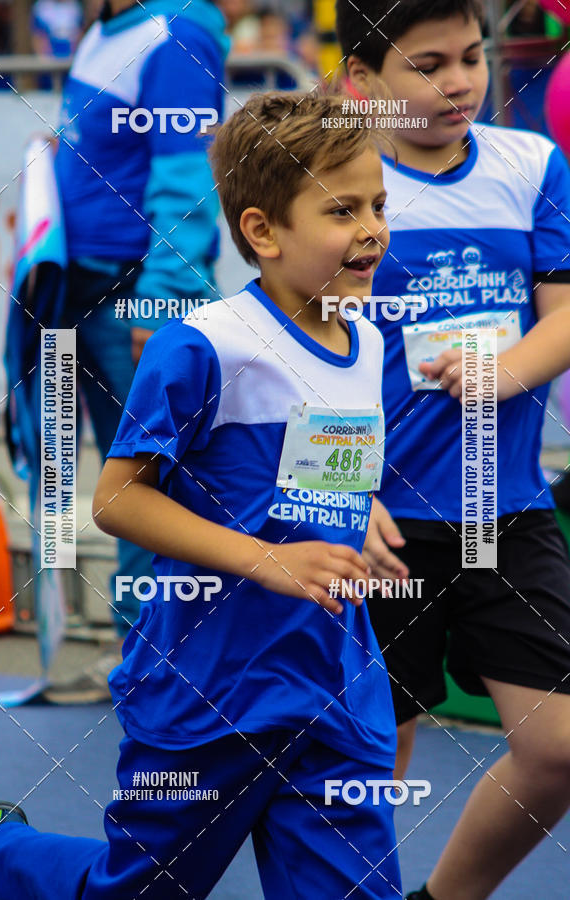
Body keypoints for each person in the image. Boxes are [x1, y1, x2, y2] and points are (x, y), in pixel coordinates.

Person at [0, 89, 403, 899]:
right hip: (210, 694)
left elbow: (311, 472)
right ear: (262, 232)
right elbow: (117, 501)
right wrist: (267, 558)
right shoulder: (201, 347)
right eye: (342, 211)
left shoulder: (372, 340)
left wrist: (360, 506)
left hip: (333, 693)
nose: (373, 228)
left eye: (379, 204)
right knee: (134, 891)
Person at [335, 1, 570, 898]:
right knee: (368, 767)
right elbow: (298, 352)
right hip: (381, 525)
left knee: (555, 753)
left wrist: (504, 370)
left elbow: (566, 313)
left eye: (471, 57)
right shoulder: (336, 182)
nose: (462, 81)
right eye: (428, 65)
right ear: (364, 83)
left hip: (507, 513)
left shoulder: (533, 164)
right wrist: (345, 494)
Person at [43, 0, 229, 703]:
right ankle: (139, 661)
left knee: (153, 488)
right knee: (123, 488)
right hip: (83, 285)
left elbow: (187, 181)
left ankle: (167, 670)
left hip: (135, 295)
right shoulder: (102, 28)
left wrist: (165, 301)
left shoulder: (176, 31)